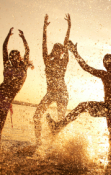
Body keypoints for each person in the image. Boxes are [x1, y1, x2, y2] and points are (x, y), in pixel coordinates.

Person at [46, 28, 111, 170]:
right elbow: (86, 67)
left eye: (110, 59)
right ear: (104, 64)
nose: (108, 61)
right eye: (105, 60)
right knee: (82, 106)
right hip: (106, 107)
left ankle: (110, 166)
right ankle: (58, 126)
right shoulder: (103, 74)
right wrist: (75, 53)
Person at [33, 14, 71, 145]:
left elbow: (66, 44)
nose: (57, 51)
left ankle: (56, 146)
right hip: (50, 93)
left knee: (60, 122)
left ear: (61, 52)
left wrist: (69, 27)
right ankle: (38, 144)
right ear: (53, 50)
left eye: (59, 50)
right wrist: (44, 29)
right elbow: (44, 44)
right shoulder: (47, 61)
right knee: (36, 116)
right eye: (55, 49)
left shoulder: (64, 62)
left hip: (62, 94)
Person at [0, 27, 34, 143]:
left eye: (14, 57)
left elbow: (27, 50)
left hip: (6, 101)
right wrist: (8, 36)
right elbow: (4, 48)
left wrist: (23, 38)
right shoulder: (7, 65)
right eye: (10, 57)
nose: (12, 59)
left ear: (19, 58)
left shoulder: (23, 67)